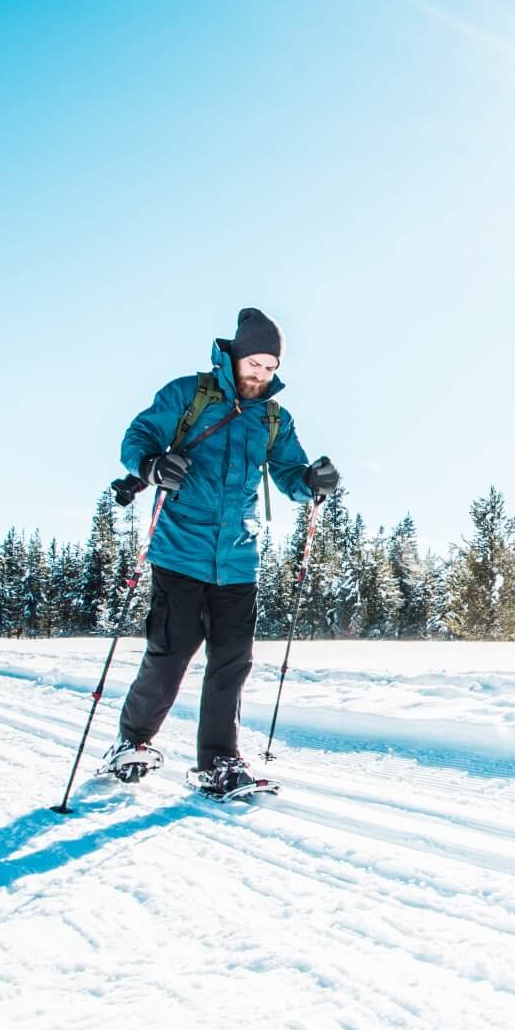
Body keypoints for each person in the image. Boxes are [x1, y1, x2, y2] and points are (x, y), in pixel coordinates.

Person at [106, 307, 339, 796]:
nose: (262, 374)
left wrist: (312, 482)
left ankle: (219, 761)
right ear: (235, 355)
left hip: (238, 557)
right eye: (256, 362)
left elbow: (290, 474)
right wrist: (152, 466)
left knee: (233, 661)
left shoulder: (274, 417)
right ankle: (133, 742)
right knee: (169, 656)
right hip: (180, 550)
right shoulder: (188, 396)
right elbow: (138, 438)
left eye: (271, 366)